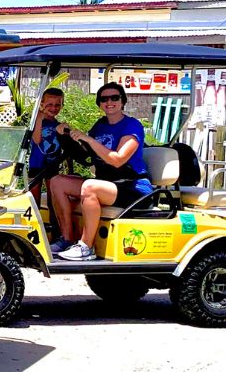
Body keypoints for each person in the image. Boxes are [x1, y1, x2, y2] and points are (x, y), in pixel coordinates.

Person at [48, 82, 153, 261]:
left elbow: (117, 160)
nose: (109, 102)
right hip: (108, 183)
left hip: (133, 187)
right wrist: (65, 137)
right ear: (99, 104)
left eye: (114, 98)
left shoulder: (132, 126)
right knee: (57, 182)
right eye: (104, 99)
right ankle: (67, 239)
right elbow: (86, 157)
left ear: (122, 101)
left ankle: (86, 247)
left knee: (90, 187)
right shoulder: (100, 125)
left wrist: (89, 139)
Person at [28, 87, 66, 208]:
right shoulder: (36, 122)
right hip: (36, 164)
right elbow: (36, 140)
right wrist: (39, 117)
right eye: (49, 104)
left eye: (57, 105)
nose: (53, 108)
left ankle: (53, 219)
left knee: (53, 200)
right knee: (34, 199)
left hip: (52, 165)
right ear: (42, 104)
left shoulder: (59, 125)